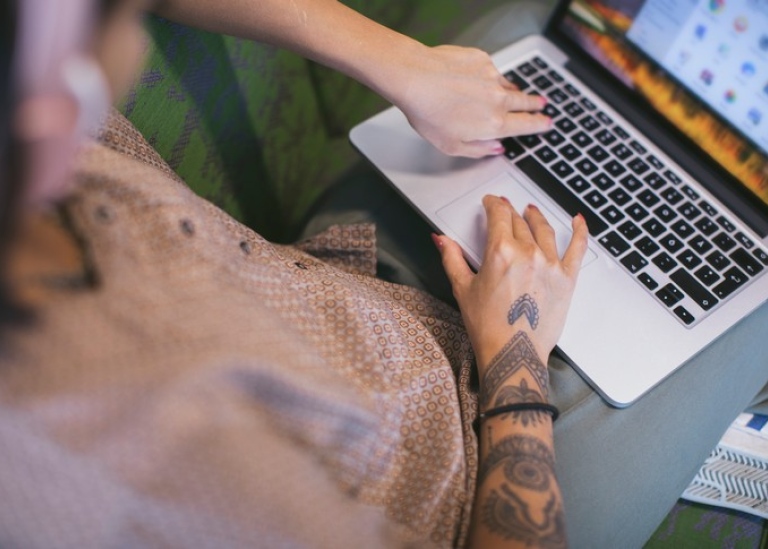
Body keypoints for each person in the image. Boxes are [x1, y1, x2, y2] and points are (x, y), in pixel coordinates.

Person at [0, 2, 766, 549]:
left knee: (541, 42)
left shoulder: (39, 126)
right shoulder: (103, 479)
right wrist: (515, 362)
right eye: (116, 18)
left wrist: (398, 64)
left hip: (351, 284)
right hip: (482, 481)